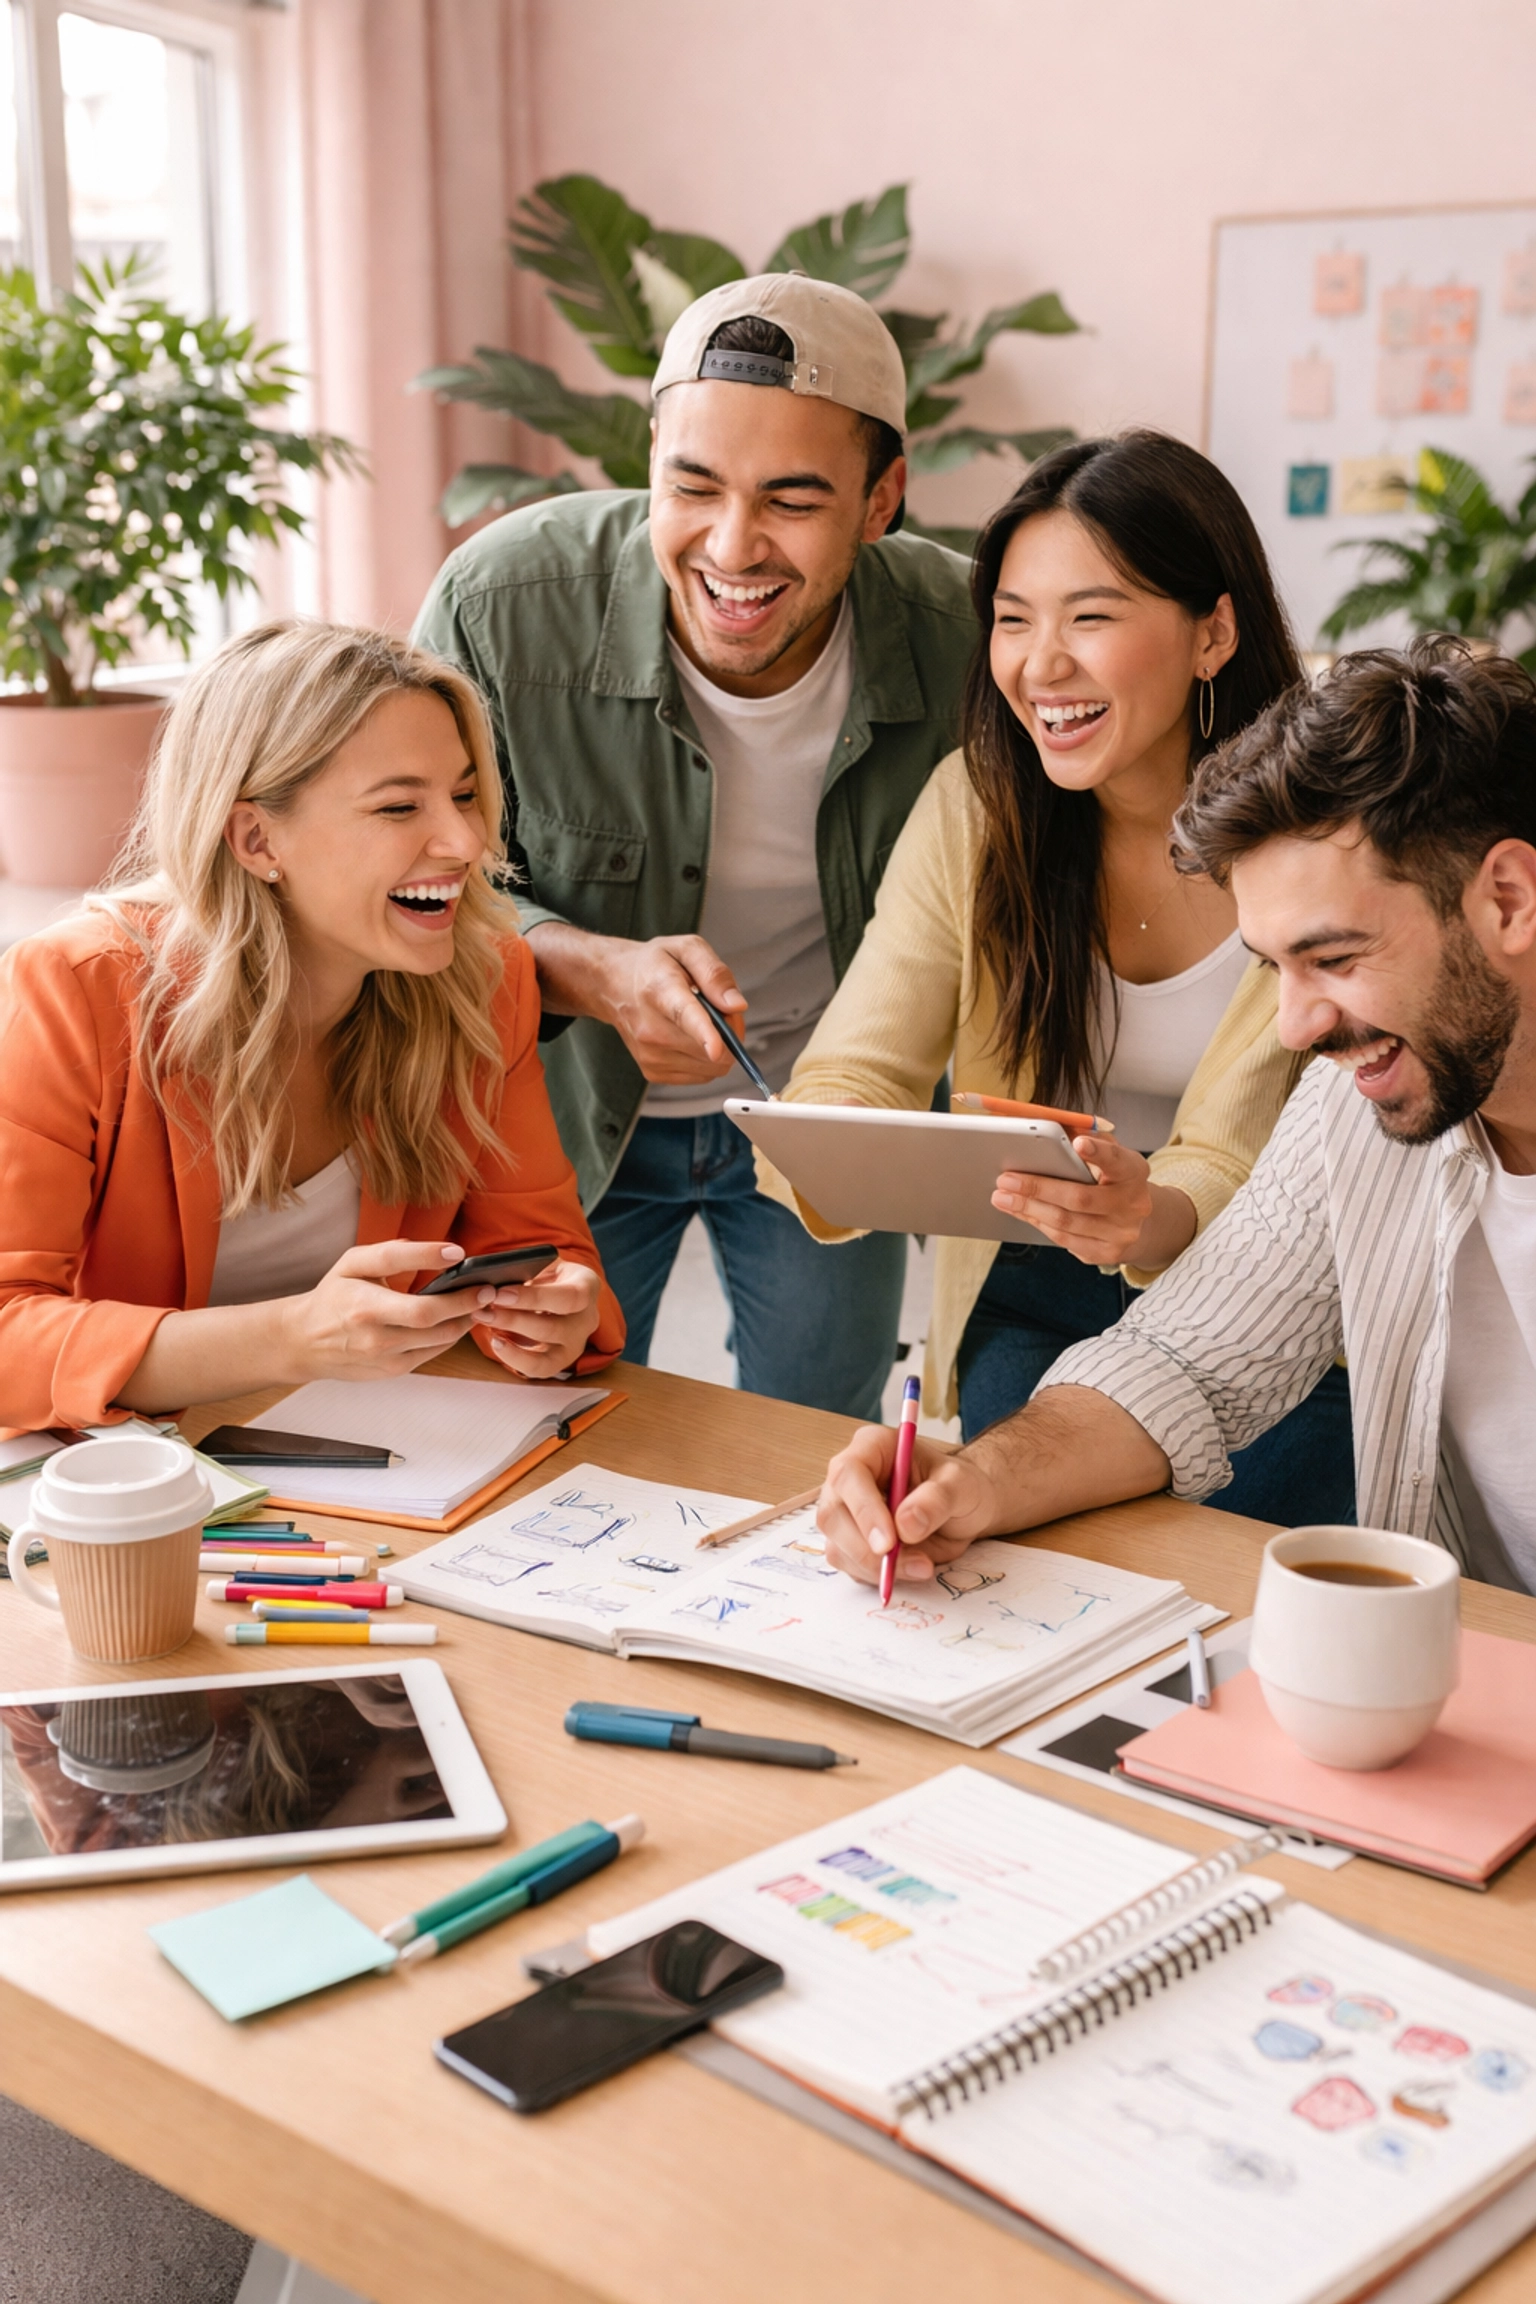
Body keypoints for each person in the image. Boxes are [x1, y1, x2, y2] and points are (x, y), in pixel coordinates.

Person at [816, 640, 1536, 1595]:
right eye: (1274, 966)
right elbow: (1187, 1360)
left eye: (1335, 958)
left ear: (1509, 900)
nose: (1296, 1026)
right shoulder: (1356, 1106)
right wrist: (975, 1479)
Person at [756, 431, 1351, 1523]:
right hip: (1032, 1279)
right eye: (1014, 620)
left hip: (1283, 1300)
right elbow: (861, 1062)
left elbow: (1232, 1156)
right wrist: (820, 1138)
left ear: (1213, 632)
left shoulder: (1321, 838)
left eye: (1090, 616)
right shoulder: (977, 807)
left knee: (1226, 1571)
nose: (1040, 664)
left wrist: (1150, 1215)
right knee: (1026, 1569)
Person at [413, 272, 975, 1421]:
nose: (733, 545)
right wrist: (595, 968)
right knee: (534, 1431)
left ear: (882, 501)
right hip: (557, 1118)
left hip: (828, 1120)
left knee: (812, 1441)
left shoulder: (973, 637)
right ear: (652, 460)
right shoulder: (501, 603)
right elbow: (414, 879)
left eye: (794, 500)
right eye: (695, 486)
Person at [0, 621, 623, 1430]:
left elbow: (550, 1251)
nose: (466, 841)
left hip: (382, 1464)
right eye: (400, 806)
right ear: (257, 838)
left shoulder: (486, 981)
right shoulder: (74, 990)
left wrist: (556, 1313)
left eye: (465, 794)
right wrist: (290, 1339)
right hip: (132, 1485)